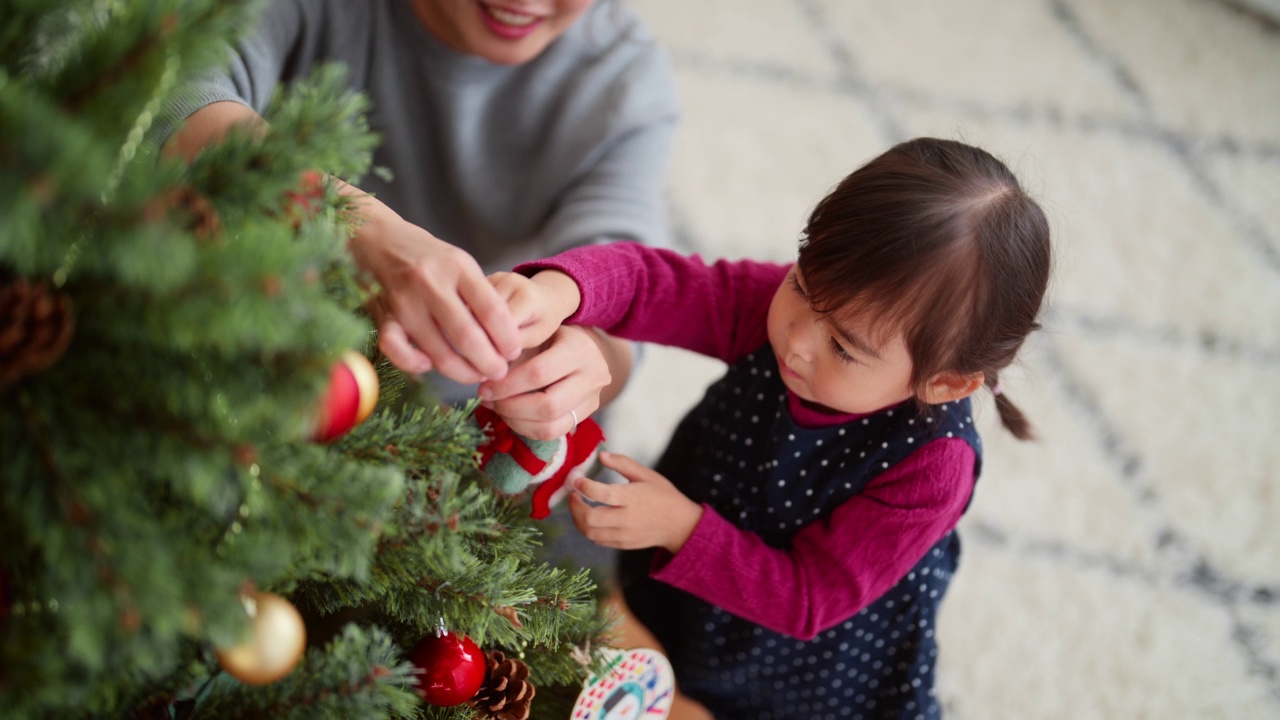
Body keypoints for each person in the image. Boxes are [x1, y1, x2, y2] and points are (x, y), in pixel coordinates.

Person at [491, 137, 1053, 719]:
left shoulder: (934, 466)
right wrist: (557, 291)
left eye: (844, 346)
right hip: (697, 571)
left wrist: (681, 526)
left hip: (800, 655)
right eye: (802, 286)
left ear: (945, 383)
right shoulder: (786, 310)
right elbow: (655, 282)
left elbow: (808, 597)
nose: (797, 338)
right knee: (652, 654)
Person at [159, 0, 679, 440]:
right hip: (234, 340)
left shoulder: (627, 81)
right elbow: (168, 92)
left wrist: (585, 359)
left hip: (467, 411)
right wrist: (353, 227)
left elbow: (629, 279)